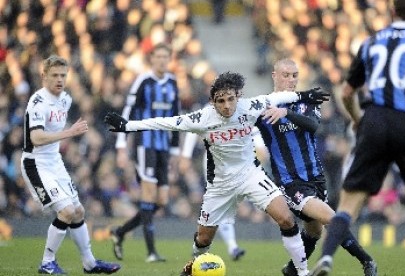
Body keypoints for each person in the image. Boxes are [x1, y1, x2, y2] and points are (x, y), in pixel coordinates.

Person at [105, 71, 330, 276]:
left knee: (286, 218)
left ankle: (302, 272)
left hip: (251, 175)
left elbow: (279, 98)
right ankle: (192, 267)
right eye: (220, 101)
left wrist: (305, 95)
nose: (227, 106)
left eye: (231, 99)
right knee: (203, 238)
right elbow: (165, 123)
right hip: (221, 184)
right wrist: (127, 126)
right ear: (213, 101)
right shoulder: (202, 118)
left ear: (238, 96)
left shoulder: (250, 106)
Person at [310, 1, 405, 275]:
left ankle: (326, 258)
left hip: (374, 120)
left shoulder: (372, 42)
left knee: (349, 202)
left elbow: (347, 93)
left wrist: (359, 120)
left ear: (393, 12)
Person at [254, 59, 377, 276]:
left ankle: (292, 270)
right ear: (274, 75)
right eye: (285, 75)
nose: (291, 80)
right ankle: (367, 261)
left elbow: (313, 126)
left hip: (316, 177)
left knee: (314, 230)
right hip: (290, 182)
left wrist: (286, 113)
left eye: (294, 75)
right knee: (332, 218)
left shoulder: (307, 102)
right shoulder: (262, 109)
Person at [20, 55, 121, 274]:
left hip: (54, 161)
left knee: (78, 211)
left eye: (63, 75)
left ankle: (90, 263)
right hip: (36, 163)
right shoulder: (38, 101)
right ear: (44, 76)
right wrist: (69, 133)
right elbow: (36, 138)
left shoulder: (64, 99)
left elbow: (56, 132)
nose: (59, 79)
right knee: (66, 211)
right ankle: (47, 262)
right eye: (54, 75)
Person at [110, 42, 180, 263]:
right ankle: (151, 253)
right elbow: (128, 110)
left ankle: (120, 232)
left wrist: (176, 149)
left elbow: (177, 117)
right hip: (145, 144)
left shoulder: (173, 83)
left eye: (165, 57)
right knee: (148, 195)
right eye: (158, 56)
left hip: (164, 148)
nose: (161, 60)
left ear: (169, 59)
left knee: (161, 200)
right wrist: (121, 144)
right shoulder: (143, 81)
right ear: (152, 59)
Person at [179, 127, 267, 261]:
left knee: (223, 205)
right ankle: (230, 246)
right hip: (214, 162)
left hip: (238, 166)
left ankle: (204, 243)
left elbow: (261, 150)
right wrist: (185, 155)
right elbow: (194, 129)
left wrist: (257, 152)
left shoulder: (246, 114)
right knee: (222, 203)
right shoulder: (215, 111)